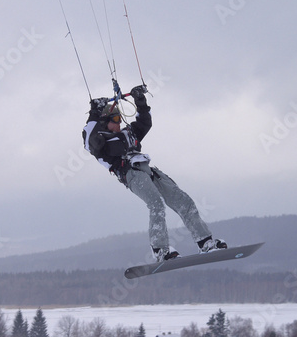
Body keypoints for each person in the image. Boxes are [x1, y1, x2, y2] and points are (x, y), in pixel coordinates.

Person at [82, 85, 227, 262]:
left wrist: (140, 102)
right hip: (131, 174)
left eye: (120, 119)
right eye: (115, 119)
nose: (119, 123)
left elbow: (145, 122)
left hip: (148, 170)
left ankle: (205, 242)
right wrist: (94, 112)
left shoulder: (128, 133)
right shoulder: (100, 141)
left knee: (183, 200)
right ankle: (160, 250)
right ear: (105, 121)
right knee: (156, 204)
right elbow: (89, 138)